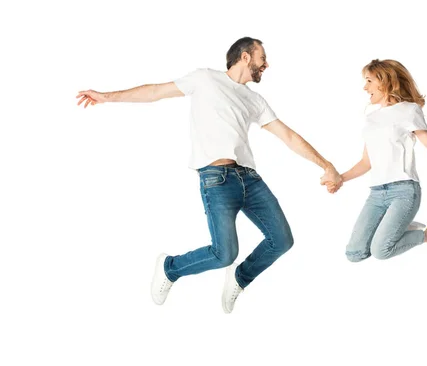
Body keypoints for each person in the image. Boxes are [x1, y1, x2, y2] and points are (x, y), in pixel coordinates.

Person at [77, 37, 342, 313]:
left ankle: (240, 278)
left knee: (282, 239)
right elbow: (155, 91)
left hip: (250, 179)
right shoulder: (204, 79)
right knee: (224, 253)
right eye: (262, 57)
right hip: (216, 179)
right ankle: (170, 268)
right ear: (246, 57)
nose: (267, 64)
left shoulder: (255, 99)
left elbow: (287, 135)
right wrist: (106, 97)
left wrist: (326, 165)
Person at [322, 59, 427, 262]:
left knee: (381, 251)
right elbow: (366, 162)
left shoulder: (409, 110)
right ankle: (399, 226)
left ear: (384, 81)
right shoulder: (372, 119)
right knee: (355, 254)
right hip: (376, 193)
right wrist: (340, 179)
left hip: (404, 191)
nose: (365, 87)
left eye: (369, 81)